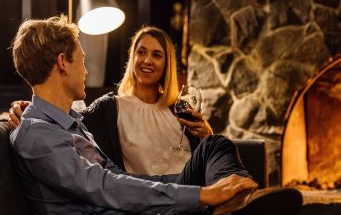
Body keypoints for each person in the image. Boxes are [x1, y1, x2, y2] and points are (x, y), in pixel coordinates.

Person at [9, 16, 341, 215]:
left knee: (214, 146)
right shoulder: (38, 134)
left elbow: (113, 178)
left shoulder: (70, 122)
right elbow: (104, 186)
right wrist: (201, 195)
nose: (86, 70)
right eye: (82, 60)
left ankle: (239, 203)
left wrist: (202, 190)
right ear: (62, 63)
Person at [9, 25, 211, 175]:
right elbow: (65, 120)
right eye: (141, 52)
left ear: (167, 63)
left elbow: (203, 156)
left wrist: (206, 135)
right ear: (132, 58)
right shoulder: (109, 108)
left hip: (189, 189)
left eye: (157, 55)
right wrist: (23, 107)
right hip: (147, 201)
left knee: (219, 144)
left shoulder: (178, 108)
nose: (147, 60)